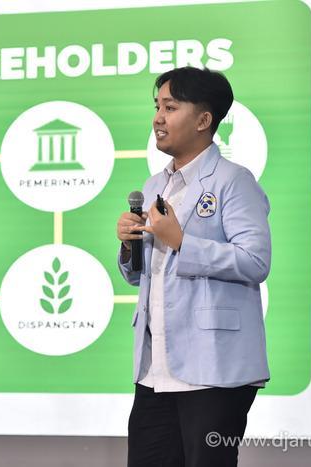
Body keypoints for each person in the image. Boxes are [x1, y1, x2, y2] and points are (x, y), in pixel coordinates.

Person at [116, 66, 271, 467]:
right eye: (157, 107)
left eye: (170, 107)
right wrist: (129, 245)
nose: (158, 118)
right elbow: (145, 274)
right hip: (156, 368)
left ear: (203, 120)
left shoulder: (234, 181)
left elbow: (255, 261)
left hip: (213, 367)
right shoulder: (154, 185)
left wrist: (181, 241)